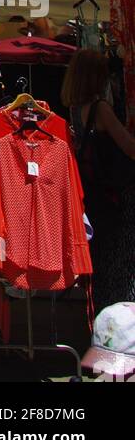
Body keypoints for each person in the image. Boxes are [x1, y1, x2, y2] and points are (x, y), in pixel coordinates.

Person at [61, 48, 135, 312]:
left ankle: (104, 317)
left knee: (103, 262)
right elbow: (129, 148)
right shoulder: (100, 109)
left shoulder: (74, 109)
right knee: (122, 262)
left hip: (95, 194)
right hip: (118, 193)